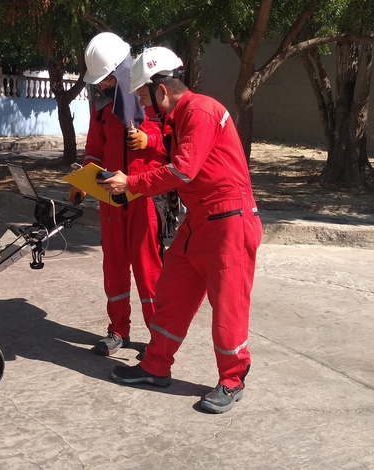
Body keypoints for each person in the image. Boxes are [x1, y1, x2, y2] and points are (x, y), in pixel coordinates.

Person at [98, 47, 263, 413]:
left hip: (229, 220)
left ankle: (233, 378)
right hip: (201, 218)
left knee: (228, 306)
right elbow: (171, 152)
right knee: (171, 292)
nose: (140, 104)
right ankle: (155, 366)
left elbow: (183, 170)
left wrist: (132, 183)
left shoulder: (201, 111)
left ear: (160, 92)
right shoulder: (180, 119)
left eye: (142, 96)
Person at [69, 32, 166, 357]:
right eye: (100, 81)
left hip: (144, 199)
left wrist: (148, 141)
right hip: (111, 198)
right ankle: (117, 331)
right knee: (114, 267)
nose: (103, 85)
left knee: (148, 269)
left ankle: (158, 339)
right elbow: (95, 149)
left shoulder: (150, 99)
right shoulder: (100, 109)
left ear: (123, 71)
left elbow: (173, 144)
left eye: (109, 79)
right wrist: (83, 182)